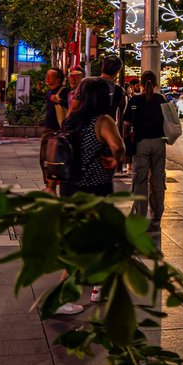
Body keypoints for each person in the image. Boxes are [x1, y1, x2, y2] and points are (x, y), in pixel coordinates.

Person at [56, 77, 126, 315]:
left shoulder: (72, 120)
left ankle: (94, 287)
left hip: (70, 189)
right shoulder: (103, 121)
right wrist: (115, 158)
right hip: (95, 191)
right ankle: (70, 294)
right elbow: (119, 147)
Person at [125, 69, 167, 226]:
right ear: (156, 84)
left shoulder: (135, 101)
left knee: (140, 179)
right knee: (157, 179)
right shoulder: (161, 99)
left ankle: (140, 213)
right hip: (159, 143)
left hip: (141, 143)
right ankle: (157, 212)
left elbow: (126, 121)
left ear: (141, 84)